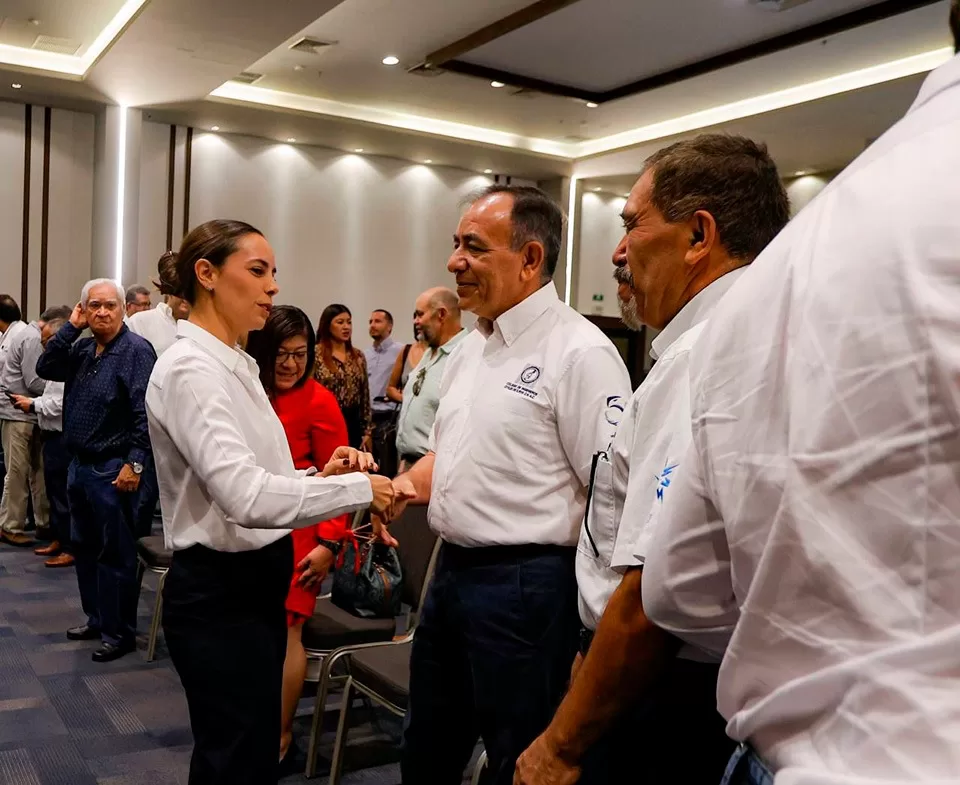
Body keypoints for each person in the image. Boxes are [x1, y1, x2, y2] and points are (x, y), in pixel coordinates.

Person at [642, 9, 960, 785]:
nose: (620, 249)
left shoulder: (785, 267)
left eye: (632, 223)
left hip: (784, 752)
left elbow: (678, 586)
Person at [514, 135, 791, 785]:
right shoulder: (774, 333)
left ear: (699, 234)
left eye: (632, 223)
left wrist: (558, 743)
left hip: (663, 691)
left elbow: (647, 599)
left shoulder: (700, 359)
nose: (618, 250)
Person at [384, 185, 631, 785]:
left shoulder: (580, 354)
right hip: (453, 576)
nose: (453, 263)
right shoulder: (471, 348)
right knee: (428, 747)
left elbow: (613, 500)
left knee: (518, 756)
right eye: (454, 245)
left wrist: (593, 633)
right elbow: (450, 454)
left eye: (473, 247)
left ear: (529, 259)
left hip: (529, 588)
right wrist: (394, 488)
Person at [145, 219, 407, 785]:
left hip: (253, 579)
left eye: (274, 274)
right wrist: (362, 487)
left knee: (248, 748)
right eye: (258, 271)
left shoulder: (232, 362)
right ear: (207, 275)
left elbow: (264, 475)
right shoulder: (193, 369)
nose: (272, 288)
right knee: (233, 757)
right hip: (222, 589)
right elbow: (244, 495)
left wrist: (321, 473)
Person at [246, 304, 353, 767]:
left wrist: (330, 544)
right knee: (255, 636)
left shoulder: (318, 400)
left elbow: (340, 480)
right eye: (281, 354)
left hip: (302, 538)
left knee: (289, 634)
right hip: (253, 531)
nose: (290, 364)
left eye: (300, 354)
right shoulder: (249, 392)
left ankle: (282, 735)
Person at [37, 280, 157, 662]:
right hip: (80, 466)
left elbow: (145, 413)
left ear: (122, 310)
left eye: (110, 306)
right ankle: (96, 618)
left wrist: (135, 463)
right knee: (85, 549)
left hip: (115, 469)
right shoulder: (83, 347)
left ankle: (119, 632)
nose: (102, 312)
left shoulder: (136, 351)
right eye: (94, 306)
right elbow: (46, 365)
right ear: (84, 310)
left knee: (116, 555)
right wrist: (71, 327)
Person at [9, 311, 75, 566]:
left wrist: (33, 405)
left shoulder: (68, 365)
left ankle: (70, 546)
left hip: (61, 436)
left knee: (63, 495)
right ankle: (59, 539)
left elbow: (60, 404)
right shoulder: (56, 365)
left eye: (47, 343)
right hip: (50, 434)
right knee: (53, 491)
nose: (44, 348)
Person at [395, 287, 466, 472]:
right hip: (408, 463)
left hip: (434, 469)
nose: (415, 321)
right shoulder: (430, 351)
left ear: (441, 314)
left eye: (420, 315)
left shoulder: (466, 354)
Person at [314, 304, 372, 450]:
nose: (346, 327)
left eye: (349, 322)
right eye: (340, 322)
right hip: (324, 418)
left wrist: (367, 430)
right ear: (327, 325)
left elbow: (364, 393)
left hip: (352, 421)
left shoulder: (357, 356)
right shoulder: (316, 354)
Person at [127, 251, 192, 356]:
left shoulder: (205, 327)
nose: (185, 297)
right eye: (179, 290)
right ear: (169, 289)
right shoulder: (140, 323)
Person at [366, 309, 402, 477]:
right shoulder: (363, 355)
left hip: (389, 418)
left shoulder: (401, 352)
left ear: (390, 326)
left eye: (378, 321)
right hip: (367, 420)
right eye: (371, 321)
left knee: (388, 469)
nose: (373, 325)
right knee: (366, 467)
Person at [386, 323, 427, 405]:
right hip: (405, 413)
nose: (417, 321)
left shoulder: (443, 352)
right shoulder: (406, 350)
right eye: (416, 317)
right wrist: (405, 399)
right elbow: (390, 388)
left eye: (422, 315)